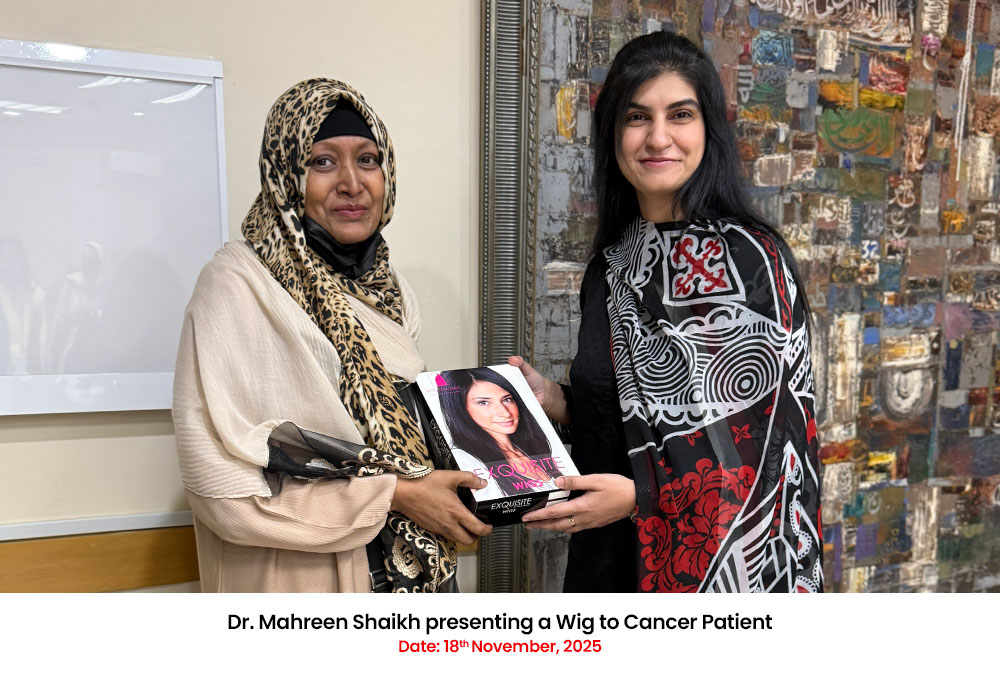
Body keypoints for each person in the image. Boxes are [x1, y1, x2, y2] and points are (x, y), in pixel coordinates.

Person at [515, 32, 822, 593]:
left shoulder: (751, 259)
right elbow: (632, 423)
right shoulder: (612, 267)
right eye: (637, 117)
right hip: (604, 570)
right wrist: (557, 401)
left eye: (680, 114)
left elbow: (772, 457)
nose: (658, 137)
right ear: (613, 133)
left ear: (708, 129)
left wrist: (640, 499)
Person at [172, 79, 491, 593]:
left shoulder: (390, 291)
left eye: (368, 160)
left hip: (409, 571)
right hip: (299, 584)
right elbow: (220, 488)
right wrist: (396, 495)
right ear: (286, 176)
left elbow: (397, 431)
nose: (351, 183)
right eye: (322, 162)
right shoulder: (236, 285)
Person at [438, 367, 561, 497]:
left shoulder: (534, 447)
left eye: (507, 399)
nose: (505, 412)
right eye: (483, 402)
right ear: (461, 410)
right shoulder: (465, 460)